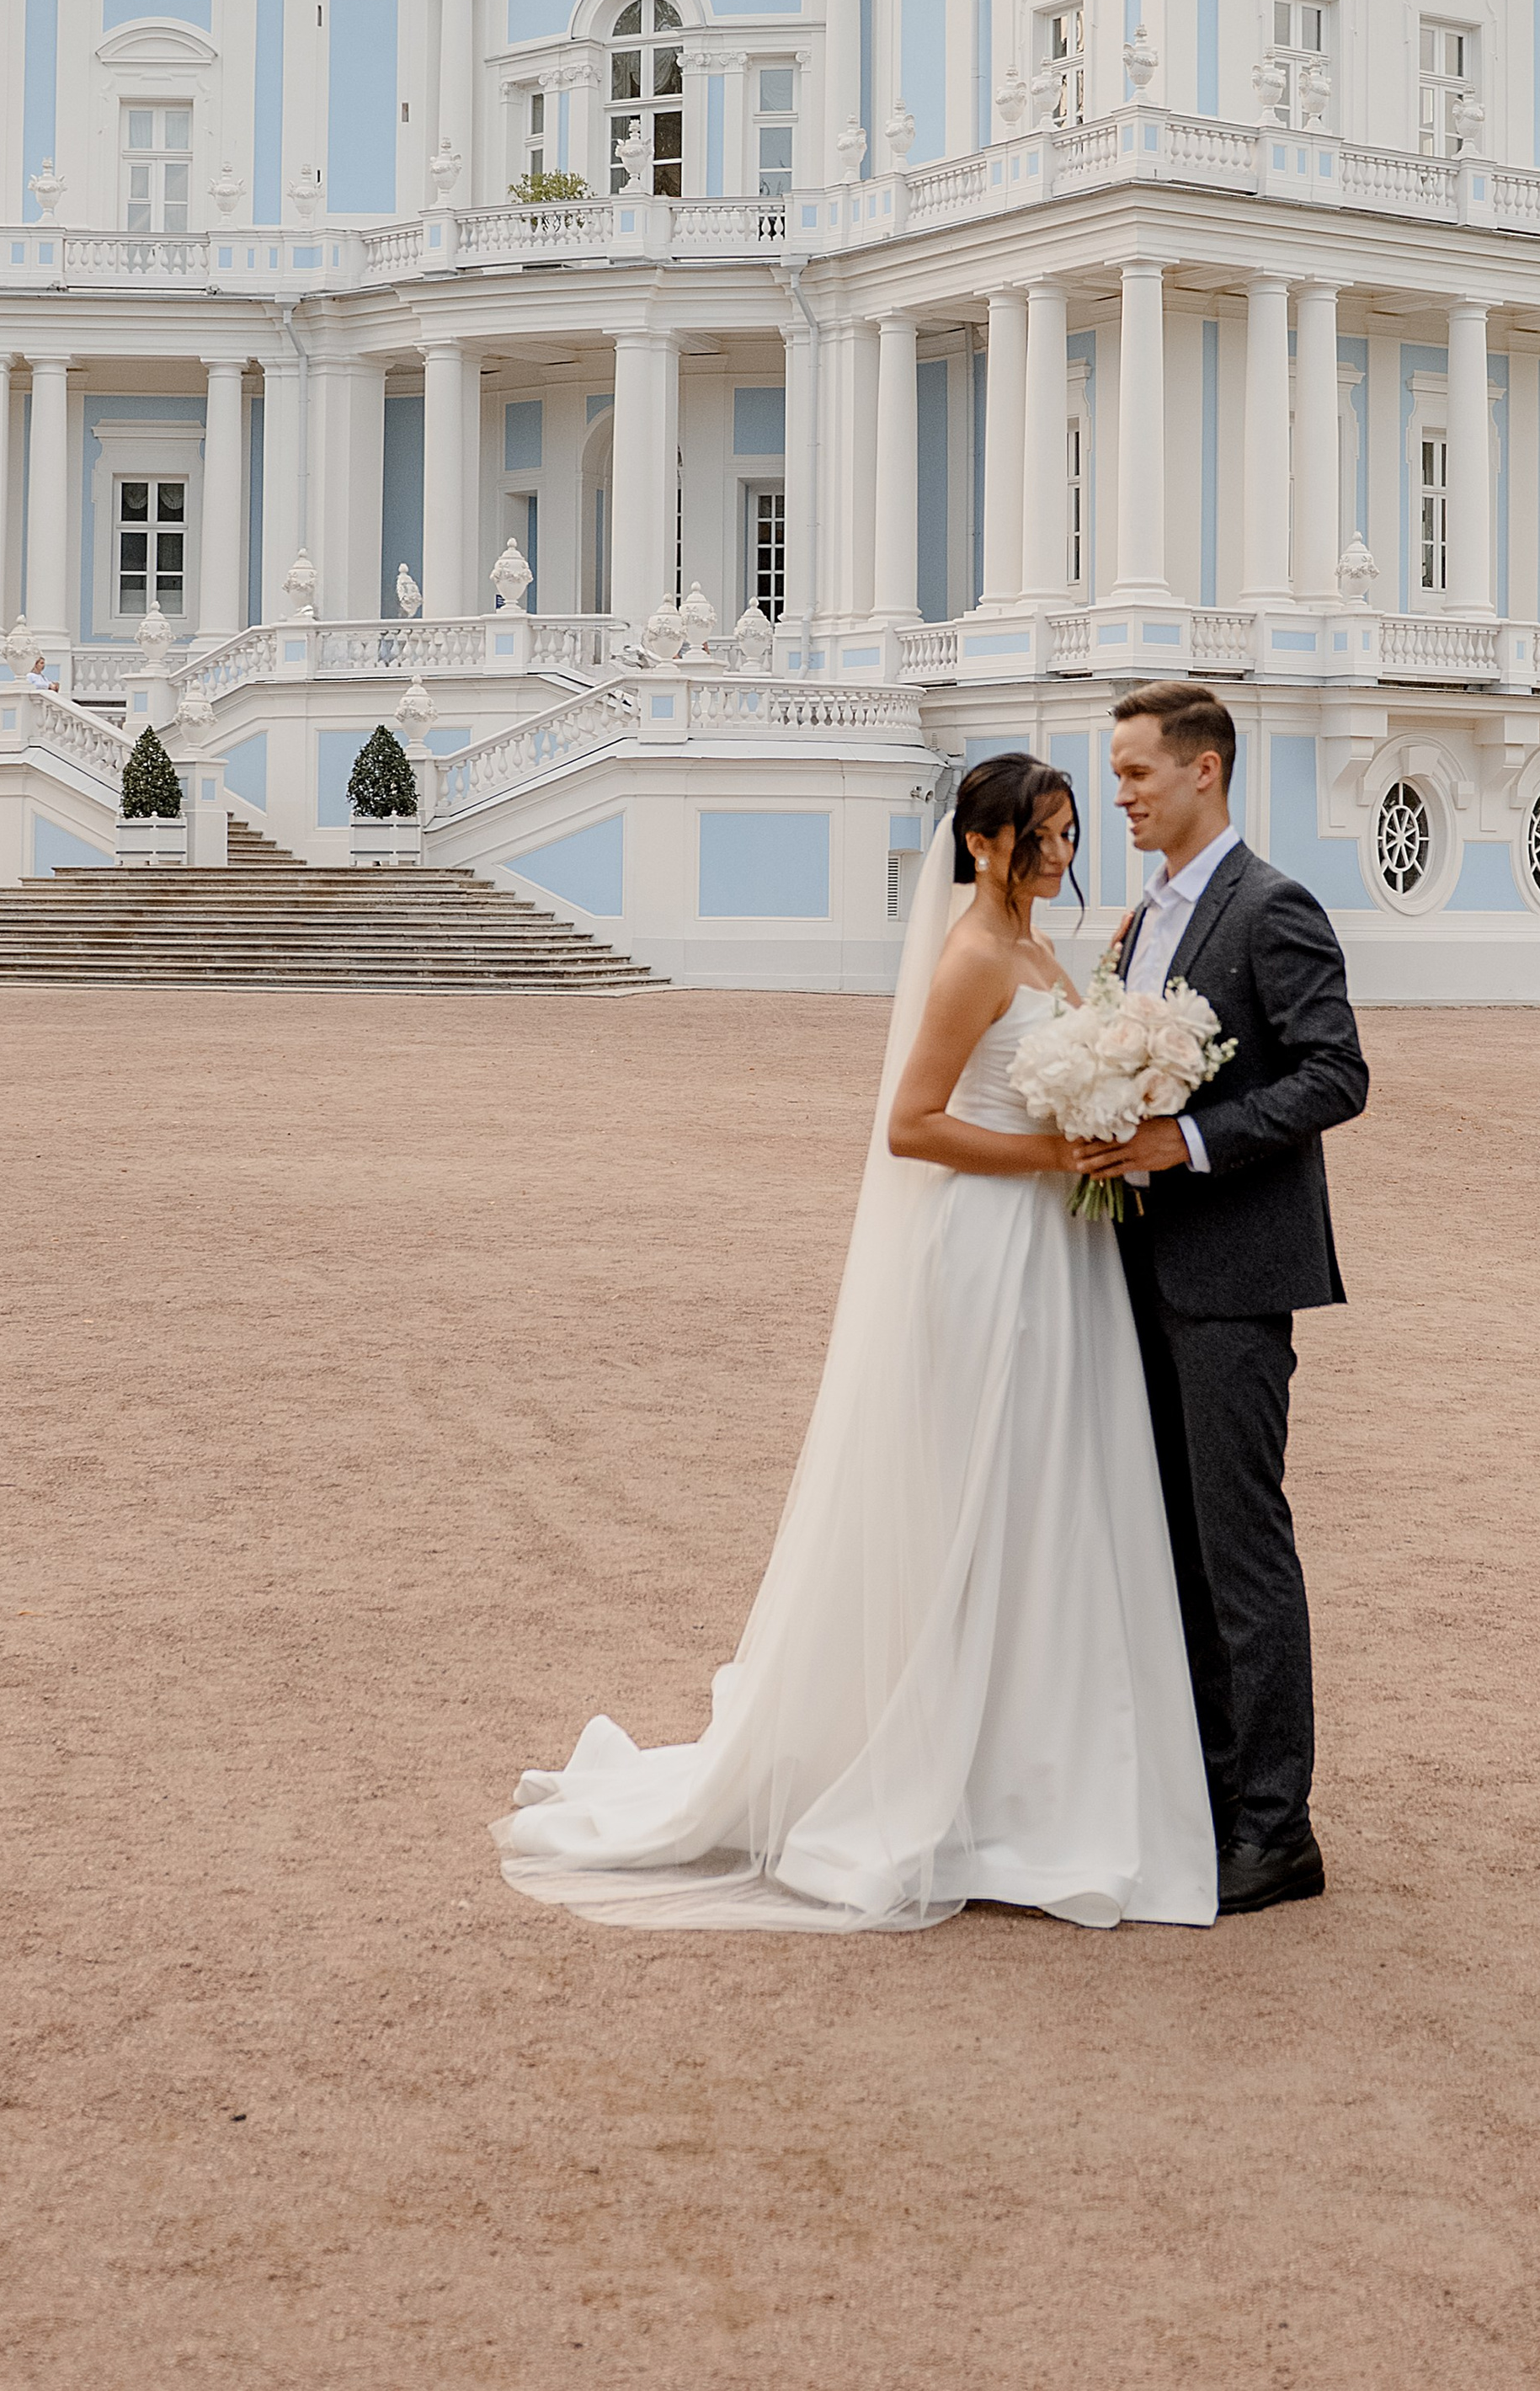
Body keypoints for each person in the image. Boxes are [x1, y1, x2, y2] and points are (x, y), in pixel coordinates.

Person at [492, 752, 1215, 1933]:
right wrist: (1057, 1153)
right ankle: (957, 1774)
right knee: (983, 1493)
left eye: (1070, 831)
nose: (1061, 852)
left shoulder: (1039, 950)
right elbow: (913, 1126)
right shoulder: (975, 957)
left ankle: (1037, 1764)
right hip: (989, 1254)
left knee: (1051, 1495)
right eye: (1041, 834)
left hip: (1061, 1256)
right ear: (980, 844)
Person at [1075, 682, 1370, 1915]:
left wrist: (1184, 1144)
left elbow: (1337, 1074)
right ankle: (1205, 1794)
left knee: (1242, 1550)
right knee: (1174, 1546)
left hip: (1238, 1277)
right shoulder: (1141, 920)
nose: (1122, 796)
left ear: (1205, 770)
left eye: (1138, 773)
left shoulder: (1272, 906)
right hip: (1135, 1269)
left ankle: (1276, 1830)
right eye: (1119, 774)